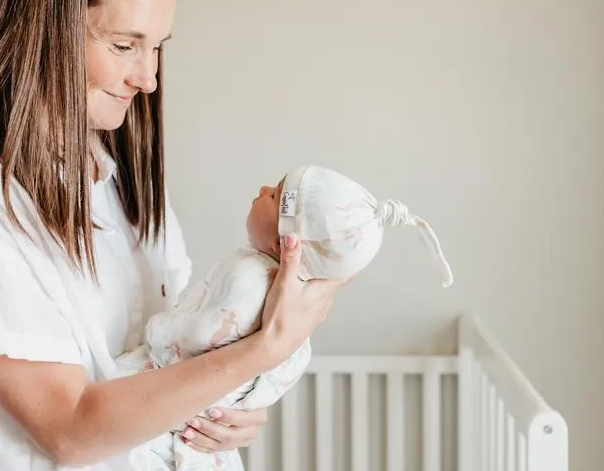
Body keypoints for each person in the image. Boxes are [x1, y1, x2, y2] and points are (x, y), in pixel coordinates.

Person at [0, 0, 346, 470]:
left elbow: (173, 360)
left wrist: (227, 407)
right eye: (124, 46)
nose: (147, 79)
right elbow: (69, 430)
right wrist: (261, 351)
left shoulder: (123, 182)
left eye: (157, 48)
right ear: (38, 35)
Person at [114, 164, 454, 470]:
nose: (262, 189)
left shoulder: (250, 275)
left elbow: (198, 334)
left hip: (164, 407)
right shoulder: (298, 318)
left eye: (275, 195)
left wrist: (158, 331)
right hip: (202, 430)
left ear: (284, 242)